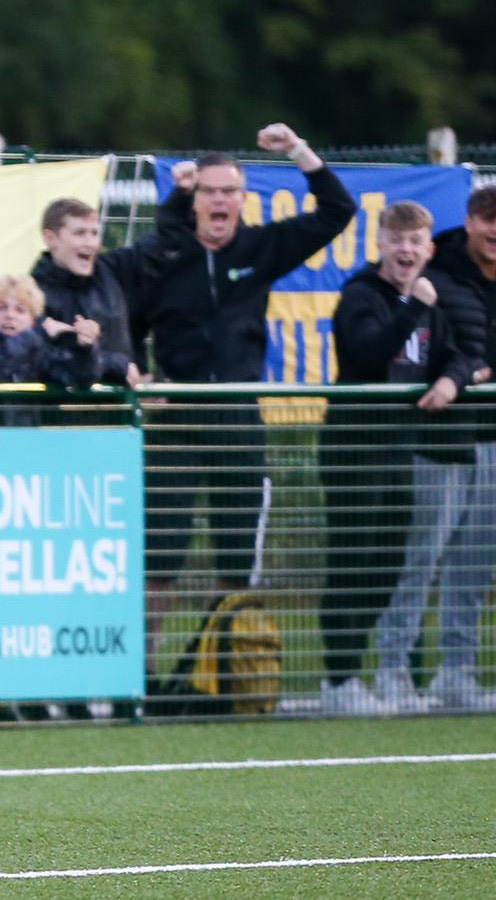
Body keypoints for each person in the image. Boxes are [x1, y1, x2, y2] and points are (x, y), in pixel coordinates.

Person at [129, 125, 356, 686]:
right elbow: (126, 319)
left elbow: (337, 211)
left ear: (242, 199)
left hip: (237, 419)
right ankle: (140, 674)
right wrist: (135, 370)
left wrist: (301, 151)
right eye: (209, 191)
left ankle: (220, 671)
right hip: (172, 421)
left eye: (230, 191)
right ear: (194, 198)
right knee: (161, 557)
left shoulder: (261, 248)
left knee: (236, 562)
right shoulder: (167, 257)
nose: (221, 201)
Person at [323, 200, 485, 716]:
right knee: (352, 562)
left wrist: (451, 378)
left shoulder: (429, 303)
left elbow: (458, 353)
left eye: (416, 242)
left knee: (386, 566)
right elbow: (370, 354)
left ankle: (366, 676)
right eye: (398, 241)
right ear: (381, 246)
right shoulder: (361, 296)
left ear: (428, 249)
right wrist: (413, 306)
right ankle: (339, 679)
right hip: (354, 448)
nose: (407, 251)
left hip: (400, 446)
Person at [372, 187, 496, 712]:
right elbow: (439, 351)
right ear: (469, 221)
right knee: (420, 557)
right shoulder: (436, 275)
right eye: (488, 221)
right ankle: (391, 668)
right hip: (439, 437)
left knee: (476, 561)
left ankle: (456, 672)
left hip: (490, 437)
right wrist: (468, 373)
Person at [30, 197, 151, 388]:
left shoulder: (112, 271)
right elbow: (46, 362)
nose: (90, 243)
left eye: (94, 233)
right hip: (60, 414)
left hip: (119, 412)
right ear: (50, 238)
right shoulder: (32, 294)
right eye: (79, 233)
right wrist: (116, 365)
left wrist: (181, 196)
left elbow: (164, 245)